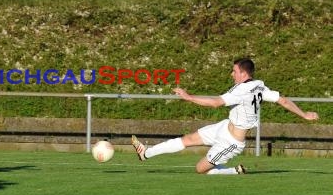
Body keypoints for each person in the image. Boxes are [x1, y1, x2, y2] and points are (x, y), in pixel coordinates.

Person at [131, 58, 320, 175]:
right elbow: (283, 100)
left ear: (244, 73)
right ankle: (145, 153)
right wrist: (304, 114)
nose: (232, 74)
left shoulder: (242, 90)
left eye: (235, 71)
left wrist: (188, 97)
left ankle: (232, 171)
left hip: (231, 142)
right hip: (224, 127)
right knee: (187, 139)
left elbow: (215, 103)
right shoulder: (260, 85)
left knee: (200, 169)